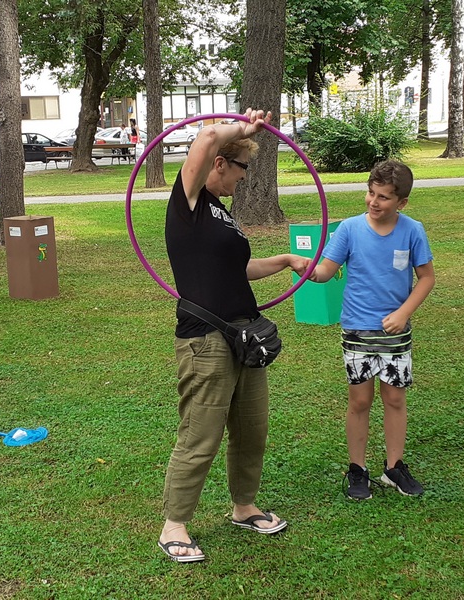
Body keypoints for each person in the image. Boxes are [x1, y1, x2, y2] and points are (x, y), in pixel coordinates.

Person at [158, 108, 310, 562]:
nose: (243, 180)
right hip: (205, 339)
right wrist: (243, 128)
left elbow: (235, 270)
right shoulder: (186, 204)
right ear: (221, 163)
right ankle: (174, 525)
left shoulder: (218, 213)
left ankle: (244, 507)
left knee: (251, 428)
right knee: (200, 434)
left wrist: (284, 260)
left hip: (245, 335)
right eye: (242, 168)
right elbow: (206, 135)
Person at [309, 160, 435, 501]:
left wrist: (404, 311)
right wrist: (306, 269)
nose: (374, 202)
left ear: (401, 203)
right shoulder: (349, 229)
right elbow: (325, 271)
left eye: (383, 197)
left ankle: (394, 468)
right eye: (370, 193)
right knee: (360, 400)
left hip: (395, 333)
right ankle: (357, 469)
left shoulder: (412, 231)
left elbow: (427, 278)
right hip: (358, 330)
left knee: (394, 398)